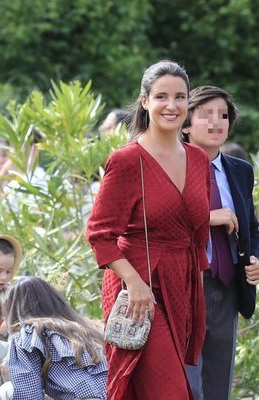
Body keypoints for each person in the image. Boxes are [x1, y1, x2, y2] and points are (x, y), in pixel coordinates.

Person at [86, 60, 210, 400]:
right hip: (138, 287)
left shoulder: (199, 159)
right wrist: (134, 282)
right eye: (161, 97)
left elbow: (198, 235)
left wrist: (196, 289)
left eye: (180, 97)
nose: (172, 106)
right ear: (145, 101)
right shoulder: (127, 159)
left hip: (181, 284)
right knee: (168, 391)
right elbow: (99, 233)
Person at [181, 85, 259, 400]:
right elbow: (159, 225)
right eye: (206, 115)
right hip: (185, 285)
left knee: (218, 387)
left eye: (224, 115)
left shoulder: (241, 171)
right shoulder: (170, 166)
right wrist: (208, 216)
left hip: (228, 286)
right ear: (186, 124)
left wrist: (257, 261)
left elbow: (252, 230)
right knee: (187, 386)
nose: (217, 122)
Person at [0, 276, 108, 400]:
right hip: (115, 394)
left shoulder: (28, 334)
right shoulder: (89, 328)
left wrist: (13, 373)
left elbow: (28, 394)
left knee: (6, 391)